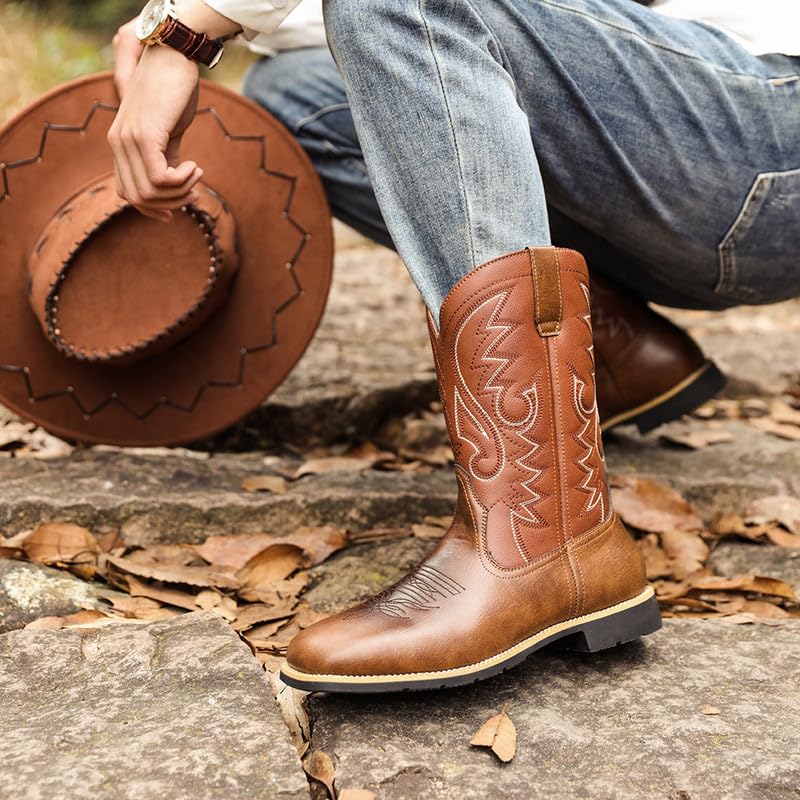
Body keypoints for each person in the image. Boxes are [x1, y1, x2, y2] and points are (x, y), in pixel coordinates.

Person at [109, 0, 800, 692]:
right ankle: (609, 349)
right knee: (295, 91)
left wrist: (186, 32)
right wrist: (185, 26)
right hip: (674, 153)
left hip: (772, 128)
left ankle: (544, 540)